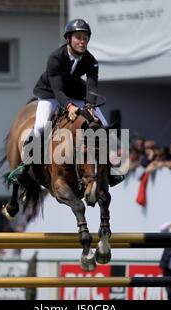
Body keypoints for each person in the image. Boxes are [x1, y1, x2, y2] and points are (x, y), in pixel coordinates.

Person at [8, 19, 124, 187]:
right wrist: (69, 106)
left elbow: (91, 87)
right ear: (68, 39)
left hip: (76, 94)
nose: (82, 41)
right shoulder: (55, 57)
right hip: (50, 94)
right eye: (78, 37)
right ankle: (24, 167)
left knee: (104, 126)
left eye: (85, 38)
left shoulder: (91, 60)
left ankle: (111, 169)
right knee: (40, 126)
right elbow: (57, 90)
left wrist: (90, 107)